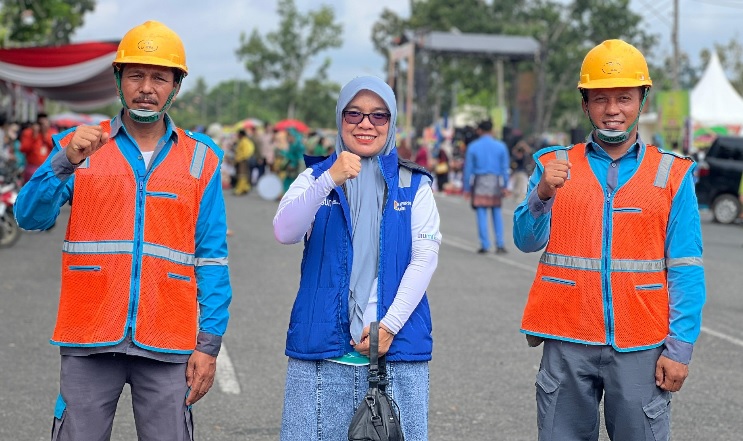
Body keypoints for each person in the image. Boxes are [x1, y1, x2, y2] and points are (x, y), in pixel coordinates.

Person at [14, 21, 232, 441]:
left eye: (159, 77)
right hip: (89, 334)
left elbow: (212, 258)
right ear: (118, 80)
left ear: (175, 87)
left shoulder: (201, 160)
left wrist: (208, 344)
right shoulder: (79, 145)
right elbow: (28, 216)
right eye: (135, 74)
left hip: (168, 341)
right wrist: (66, 161)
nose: (146, 87)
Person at [513, 39, 706, 441]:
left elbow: (687, 268)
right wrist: (542, 196)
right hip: (567, 337)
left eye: (624, 98)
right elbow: (525, 240)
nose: (613, 110)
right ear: (585, 104)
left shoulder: (671, 175)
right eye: (600, 99)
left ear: (643, 101)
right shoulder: (553, 165)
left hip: (641, 344)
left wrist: (680, 347)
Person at [273, 76, 440, 441]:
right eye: (355, 114)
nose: (366, 124)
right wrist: (328, 180)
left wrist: (389, 326)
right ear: (340, 118)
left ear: (391, 123)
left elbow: (425, 257)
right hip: (321, 354)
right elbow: (285, 231)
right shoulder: (314, 177)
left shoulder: (415, 185)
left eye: (379, 116)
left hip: (396, 354)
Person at [463, 120, 510, 254]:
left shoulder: (473, 146)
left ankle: (485, 244)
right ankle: (500, 244)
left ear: (479, 131)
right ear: (492, 130)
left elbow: (468, 169)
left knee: (481, 213)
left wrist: (466, 188)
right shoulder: (501, 146)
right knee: (496, 212)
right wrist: (505, 185)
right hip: (495, 181)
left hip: (480, 181)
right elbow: (505, 168)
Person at [19, 112, 56, 183]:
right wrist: (34, 136)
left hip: (48, 168)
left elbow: (56, 147)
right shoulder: (29, 133)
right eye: (41, 124)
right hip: (31, 167)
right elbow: (23, 149)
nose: (43, 126)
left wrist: (45, 135)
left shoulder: (52, 133)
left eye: (45, 123)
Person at [233, 128, 254, 195]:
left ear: (241, 135)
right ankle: (245, 188)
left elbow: (246, 152)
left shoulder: (244, 142)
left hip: (242, 160)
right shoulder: (245, 141)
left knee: (242, 175)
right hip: (242, 160)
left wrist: (239, 158)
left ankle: (240, 189)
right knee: (244, 175)